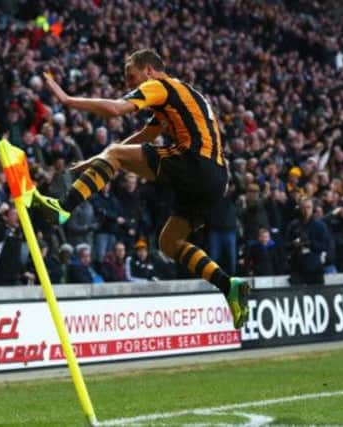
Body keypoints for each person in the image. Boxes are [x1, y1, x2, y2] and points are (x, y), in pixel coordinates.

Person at [36, 49, 248, 327]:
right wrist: (95, 160)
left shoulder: (159, 86)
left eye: (131, 76)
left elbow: (115, 110)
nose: (129, 85)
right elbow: (142, 137)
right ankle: (228, 285)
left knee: (115, 154)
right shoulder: (182, 96)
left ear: (148, 70)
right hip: (217, 178)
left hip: (195, 162)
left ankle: (63, 207)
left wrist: (67, 100)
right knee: (169, 242)